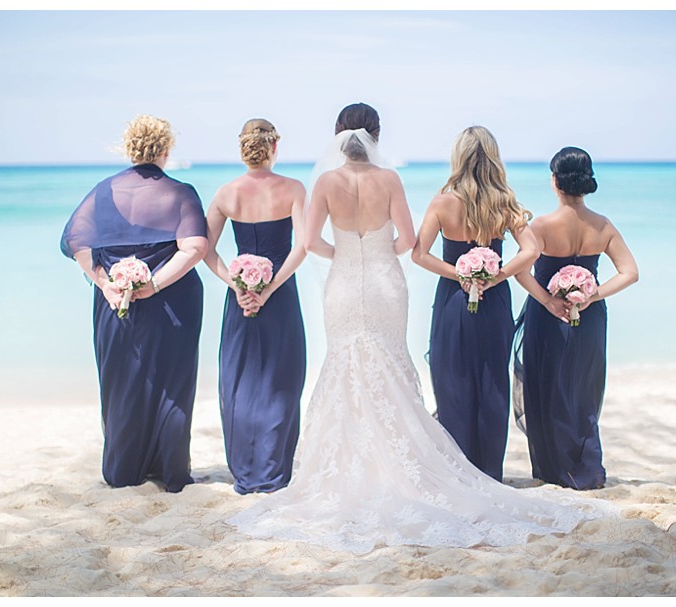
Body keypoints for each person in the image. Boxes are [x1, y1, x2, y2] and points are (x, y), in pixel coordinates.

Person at [228, 103, 607, 554]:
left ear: (337, 137)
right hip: (388, 284)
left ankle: (356, 467)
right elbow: (407, 243)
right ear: (375, 136)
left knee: (346, 364)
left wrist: (350, 256)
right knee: (390, 363)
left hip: (345, 284)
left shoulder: (326, 183)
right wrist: (383, 255)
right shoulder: (390, 180)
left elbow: (310, 243)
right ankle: (449, 465)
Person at [60, 115, 208, 493]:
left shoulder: (102, 191)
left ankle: (124, 470)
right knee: (172, 385)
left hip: (115, 305)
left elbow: (76, 242)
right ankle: (170, 470)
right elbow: (195, 249)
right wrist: (154, 285)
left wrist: (106, 283)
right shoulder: (181, 192)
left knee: (120, 382)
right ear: (166, 149)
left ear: (129, 149)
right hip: (173, 303)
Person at [412, 126, 538, 482]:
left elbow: (418, 254)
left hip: (453, 301)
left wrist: (459, 275)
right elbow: (531, 250)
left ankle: (458, 472)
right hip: (495, 302)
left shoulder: (442, 201)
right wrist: (497, 277)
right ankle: (489, 473)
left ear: (459, 157)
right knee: (492, 383)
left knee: (452, 380)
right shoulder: (504, 201)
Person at [513, 146, 639, 490]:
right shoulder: (603, 225)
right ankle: (585, 467)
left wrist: (549, 302)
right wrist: (591, 295)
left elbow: (520, 273)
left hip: (546, 316)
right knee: (583, 389)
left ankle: (552, 470)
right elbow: (629, 273)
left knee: (545, 388)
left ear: (555, 181)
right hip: (589, 317)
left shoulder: (540, 225)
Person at [202, 118, 307, 495]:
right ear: (274, 146)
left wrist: (238, 284)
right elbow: (302, 247)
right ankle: (274, 471)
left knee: (241, 380)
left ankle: (246, 471)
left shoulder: (226, 193)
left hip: (240, 300)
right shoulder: (294, 189)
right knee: (283, 379)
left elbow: (205, 251)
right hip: (280, 299)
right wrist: (270, 288)